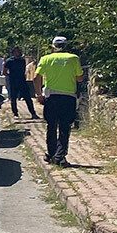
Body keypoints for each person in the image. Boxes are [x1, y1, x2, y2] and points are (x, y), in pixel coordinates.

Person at [34, 36, 84, 166]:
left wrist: (39, 94)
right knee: (64, 127)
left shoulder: (46, 59)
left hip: (52, 97)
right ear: (66, 46)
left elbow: (36, 77)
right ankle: (60, 156)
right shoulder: (73, 58)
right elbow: (79, 78)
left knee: (51, 126)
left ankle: (51, 153)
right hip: (68, 97)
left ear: (53, 46)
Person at [3, 47, 36, 119]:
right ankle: (15, 114)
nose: (18, 52)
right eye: (16, 51)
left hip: (22, 81)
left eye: (19, 51)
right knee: (13, 98)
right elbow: (4, 72)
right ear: (13, 52)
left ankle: (33, 113)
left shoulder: (22, 60)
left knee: (28, 98)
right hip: (13, 82)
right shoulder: (9, 61)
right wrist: (11, 76)